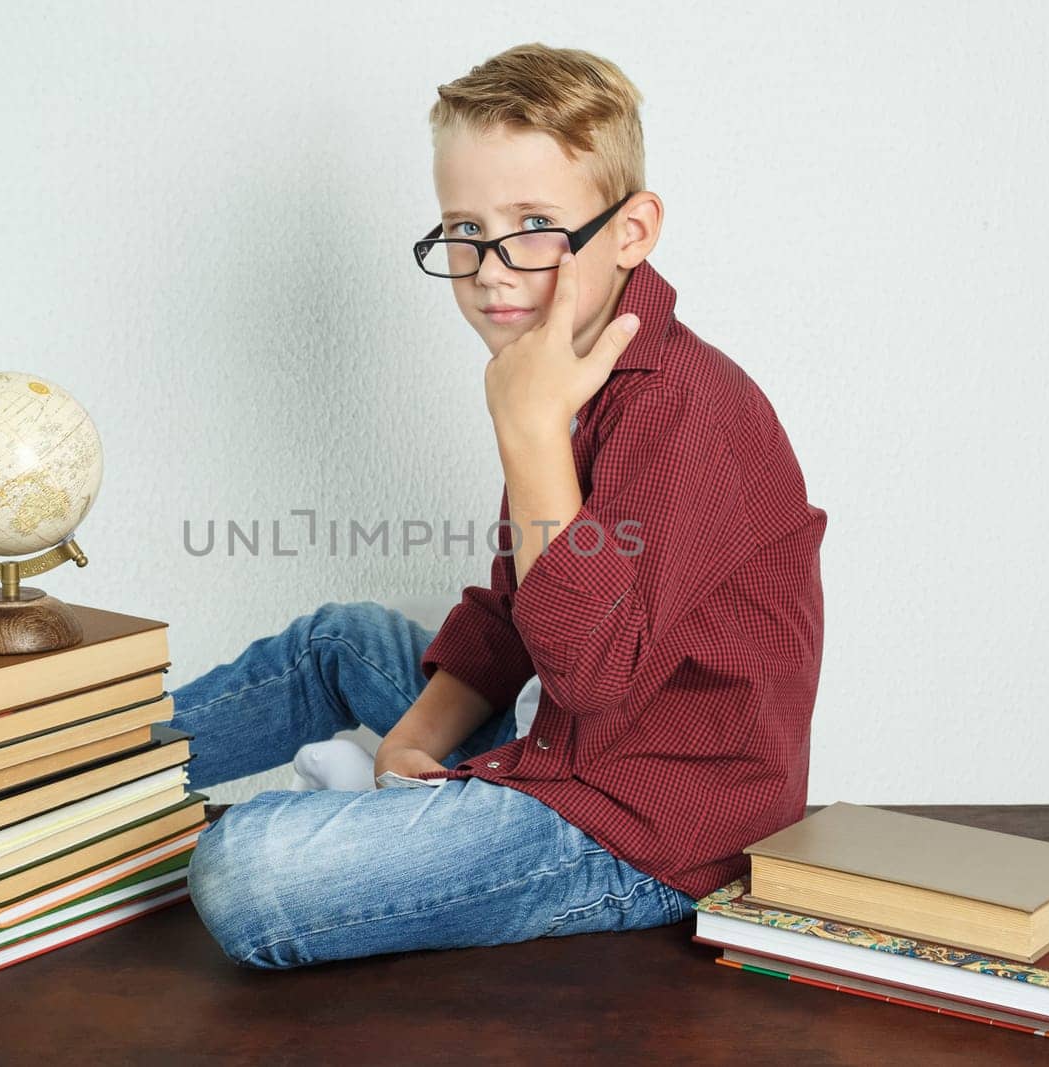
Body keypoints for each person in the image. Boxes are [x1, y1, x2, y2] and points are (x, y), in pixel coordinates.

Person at [171, 42, 828, 970]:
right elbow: (519, 611)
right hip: (553, 732)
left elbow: (596, 674)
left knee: (246, 870)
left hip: (642, 825)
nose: (489, 268)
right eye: (464, 230)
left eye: (532, 225)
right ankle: (72, 785)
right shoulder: (560, 376)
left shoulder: (685, 407)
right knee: (341, 638)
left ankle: (362, 829)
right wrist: (412, 743)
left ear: (632, 230)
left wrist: (527, 431)